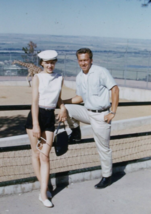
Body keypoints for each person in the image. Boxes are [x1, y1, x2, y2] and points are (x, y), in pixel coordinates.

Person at [64, 48, 119, 189]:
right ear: (78, 61)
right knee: (67, 109)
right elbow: (80, 98)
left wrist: (112, 112)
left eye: (86, 60)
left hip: (101, 115)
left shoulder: (101, 72)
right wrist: (62, 102)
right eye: (80, 60)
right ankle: (76, 133)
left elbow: (115, 89)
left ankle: (107, 177)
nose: (83, 63)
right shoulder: (79, 77)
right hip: (87, 112)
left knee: (103, 148)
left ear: (91, 60)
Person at [25, 50, 67, 208]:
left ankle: (43, 191)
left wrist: (62, 108)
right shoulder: (37, 77)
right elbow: (34, 101)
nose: (50, 65)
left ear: (55, 62)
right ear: (42, 63)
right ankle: (44, 190)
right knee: (36, 153)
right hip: (36, 116)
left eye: (52, 62)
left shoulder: (59, 78)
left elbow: (58, 98)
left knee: (45, 156)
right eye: (47, 62)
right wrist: (35, 124)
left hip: (50, 117)